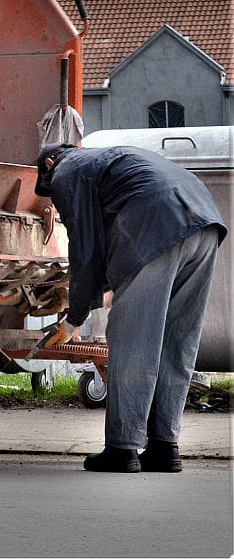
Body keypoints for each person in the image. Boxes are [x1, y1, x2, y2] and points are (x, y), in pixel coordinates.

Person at [34, 142, 226, 473]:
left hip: (158, 226)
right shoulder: (106, 159)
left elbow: (85, 251)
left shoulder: (66, 171)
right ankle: (164, 447)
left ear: (49, 164)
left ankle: (122, 449)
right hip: (205, 225)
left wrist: (73, 318)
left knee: (133, 343)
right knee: (176, 343)